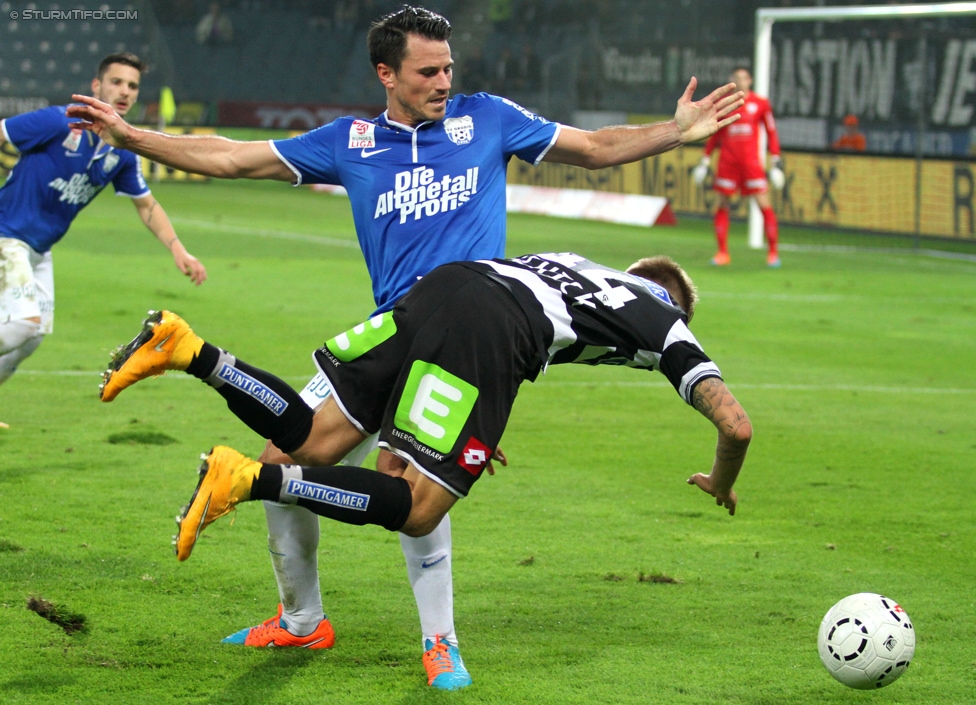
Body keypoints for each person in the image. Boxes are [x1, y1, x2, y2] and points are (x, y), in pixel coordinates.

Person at [66, 5, 743, 689]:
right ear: (386, 74)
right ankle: (302, 620)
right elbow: (233, 156)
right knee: (288, 457)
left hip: (464, 340)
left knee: (414, 489)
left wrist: (675, 133)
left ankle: (440, 643)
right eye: (428, 71)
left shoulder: (488, 119)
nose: (444, 81)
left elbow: (596, 148)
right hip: (389, 329)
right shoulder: (350, 141)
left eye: (449, 67)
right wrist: (131, 136)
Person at [98, 251, 751, 685]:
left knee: (316, 437)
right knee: (416, 507)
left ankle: (189, 348)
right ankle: (246, 479)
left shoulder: (573, 263)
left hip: (443, 285)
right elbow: (736, 424)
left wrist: (472, 410)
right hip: (491, 328)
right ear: (676, 303)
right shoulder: (667, 321)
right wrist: (721, 478)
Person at [0, 52, 206, 428]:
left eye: (132, 86)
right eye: (116, 82)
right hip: (5, 236)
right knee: (24, 323)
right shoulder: (57, 120)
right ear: (97, 86)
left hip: (40, 250)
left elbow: (146, 206)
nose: (124, 91)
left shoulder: (121, 152)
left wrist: (179, 248)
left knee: (31, 338)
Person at [692, 67, 783, 268]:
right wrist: (705, 160)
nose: (741, 81)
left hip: (752, 164)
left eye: (744, 78)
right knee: (722, 204)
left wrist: (776, 161)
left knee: (764, 205)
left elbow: (772, 131)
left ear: (750, 80)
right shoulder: (726, 105)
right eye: (736, 78)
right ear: (731, 80)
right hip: (728, 163)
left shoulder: (761, 104)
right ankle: (722, 252)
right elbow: (715, 133)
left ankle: (773, 253)